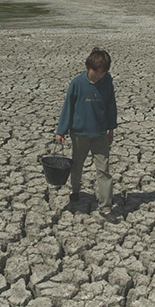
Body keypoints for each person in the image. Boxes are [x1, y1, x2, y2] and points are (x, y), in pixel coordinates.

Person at [56, 48, 118, 221]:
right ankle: (75, 190)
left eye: (102, 72)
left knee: (104, 170)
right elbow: (68, 107)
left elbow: (111, 106)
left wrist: (111, 129)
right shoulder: (77, 83)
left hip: (100, 134)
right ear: (88, 67)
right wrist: (61, 130)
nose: (99, 75)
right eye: (95, 71)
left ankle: (105, 207)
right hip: (79, 134)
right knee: (77, 165)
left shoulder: (107, 83)